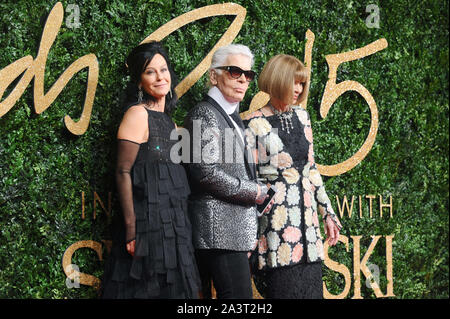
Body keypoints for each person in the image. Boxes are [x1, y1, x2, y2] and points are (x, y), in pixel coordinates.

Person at [101, 41, 200, 299]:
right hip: (147, 229)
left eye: (163, 70)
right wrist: (132, 229)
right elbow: (122, 172)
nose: (160, 77)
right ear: (139, 82)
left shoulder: (169, 120)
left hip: (175, 228)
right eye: (150, 72)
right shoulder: (137, 115)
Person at [243, 54, 343, 299]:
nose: (299, 89)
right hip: (278, 229)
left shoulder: (303, 117)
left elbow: (311, 169)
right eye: (294, 82)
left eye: (302, 83)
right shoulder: (252, 123)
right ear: (277, 81)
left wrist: (327, 213)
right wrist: (250, 233)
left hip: (309, 228)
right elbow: (251, 181)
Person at [183, 44, 270, 299]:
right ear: (213, 76)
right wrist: (252, 191)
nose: (243, 79)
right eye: (234, 71)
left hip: (231, 233)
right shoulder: (204, 113)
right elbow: (205, 172)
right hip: (218, 233)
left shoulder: (231, 115)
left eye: (248, 74)